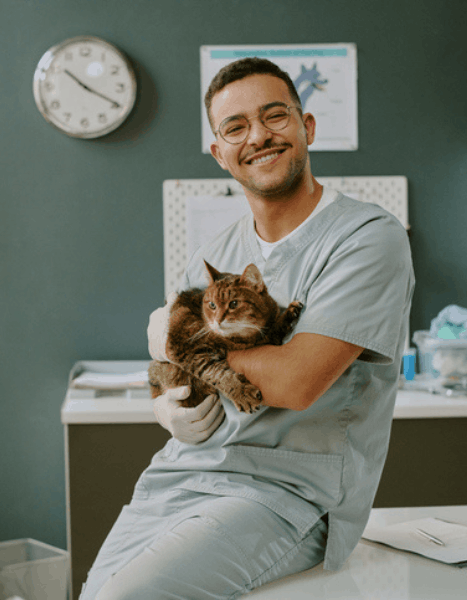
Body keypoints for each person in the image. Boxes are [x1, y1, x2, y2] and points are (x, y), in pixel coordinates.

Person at [79, 57, 414, 600]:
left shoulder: (366, 237)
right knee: (95, 594)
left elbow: (294, 381)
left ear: (306, 127)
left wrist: (179, 343)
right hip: (184, 475)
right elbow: (172, 375)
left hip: (287, 494)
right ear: (220, 152)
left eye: (274, 116)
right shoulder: (215, 256)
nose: (257, 136)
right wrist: (165, 406)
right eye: (235, 127)